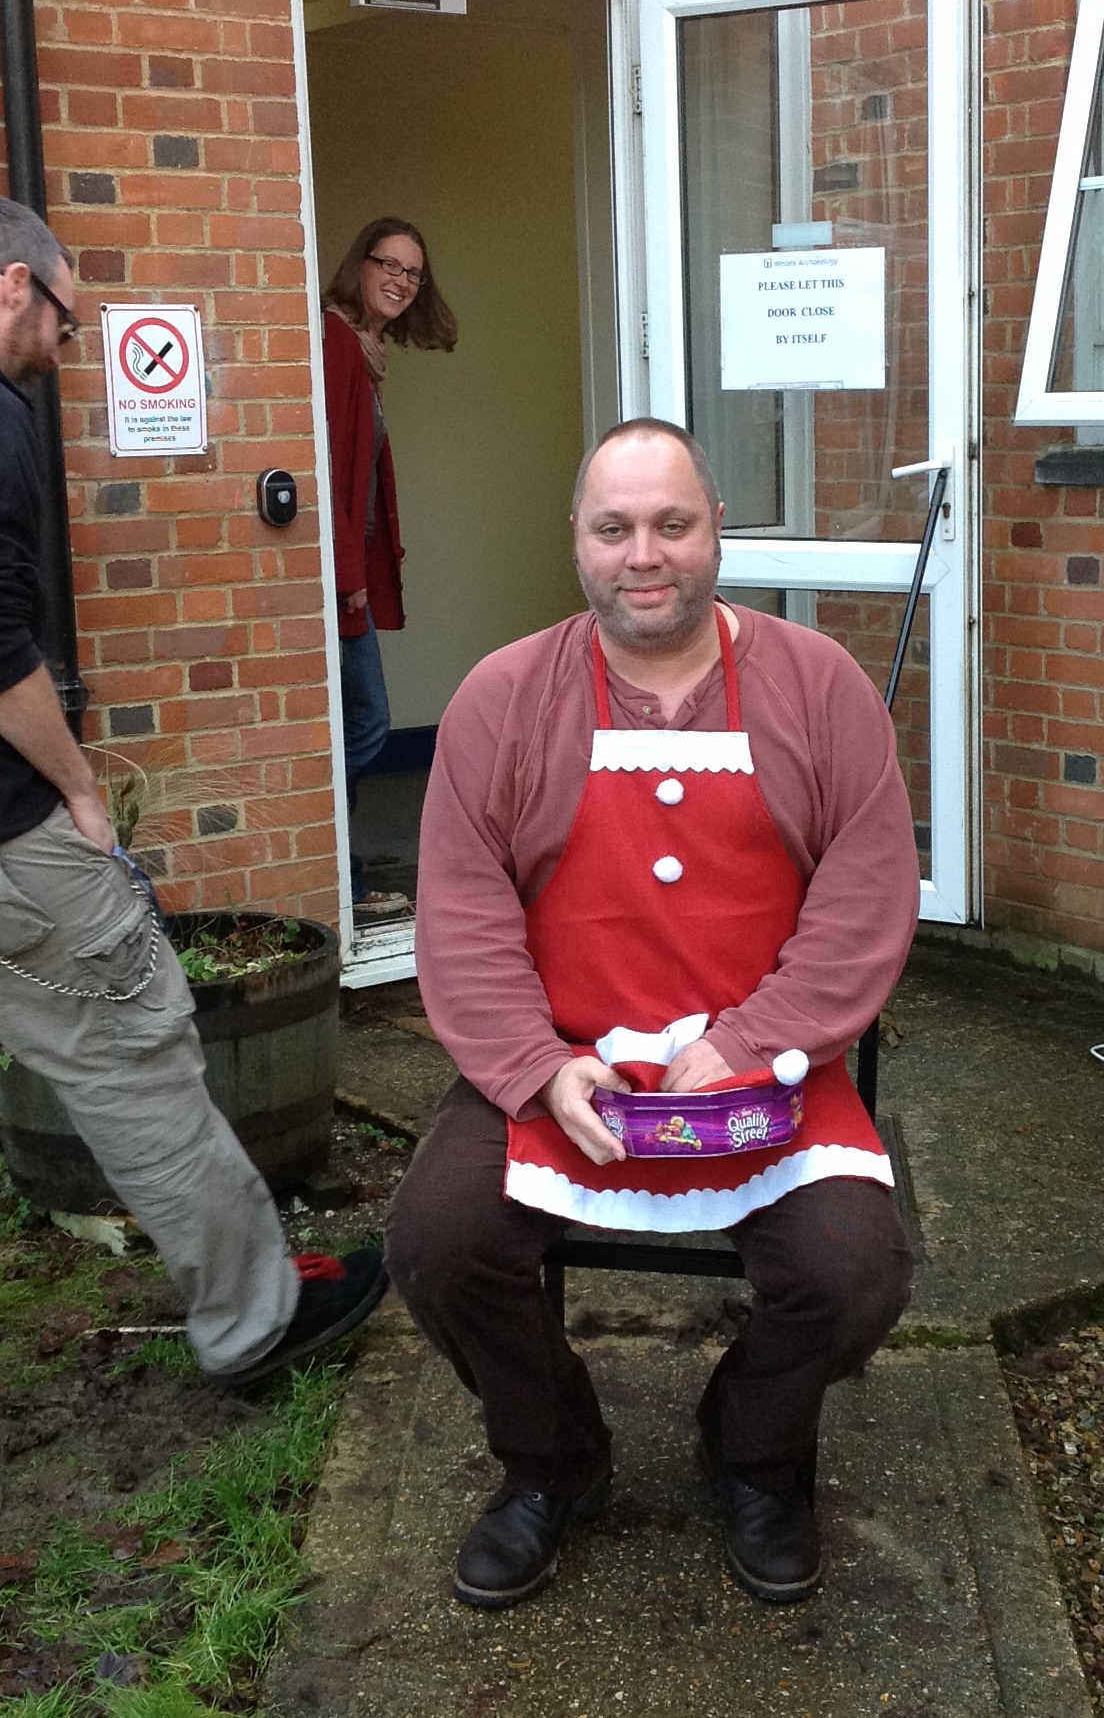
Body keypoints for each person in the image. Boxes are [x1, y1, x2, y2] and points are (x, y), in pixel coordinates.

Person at [0, 195, 387, 1500]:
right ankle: (257, 1315)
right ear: (10, 283)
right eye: (65, 314)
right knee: (141, 1052)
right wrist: (81, 792)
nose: (67, 339)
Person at [386, 419, 919, 1610]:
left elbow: (866, 897)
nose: (645, 553)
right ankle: (553, 1458)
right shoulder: (502, 697)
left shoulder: (819, 686)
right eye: (614, 526)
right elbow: (464, 914)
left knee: (857, 1268)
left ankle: (755, 1450)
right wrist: (537, 1065)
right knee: (436, 1240)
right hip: (563, 1066)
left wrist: (747, 1043)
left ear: (715, 528)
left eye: (672, 523)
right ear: (575, 539)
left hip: (769, 1070)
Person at [319, 216, 457, 919]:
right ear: (361, 264)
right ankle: (330, 868)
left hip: (353, 571)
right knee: (367, 721)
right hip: (340, 578)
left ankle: (341, 877)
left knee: (355, 719)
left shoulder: (363, 351)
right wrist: (348, 578)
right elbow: (328, 473)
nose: (401, 280)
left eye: (414, 272)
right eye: (390, 264)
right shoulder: (337, 344)